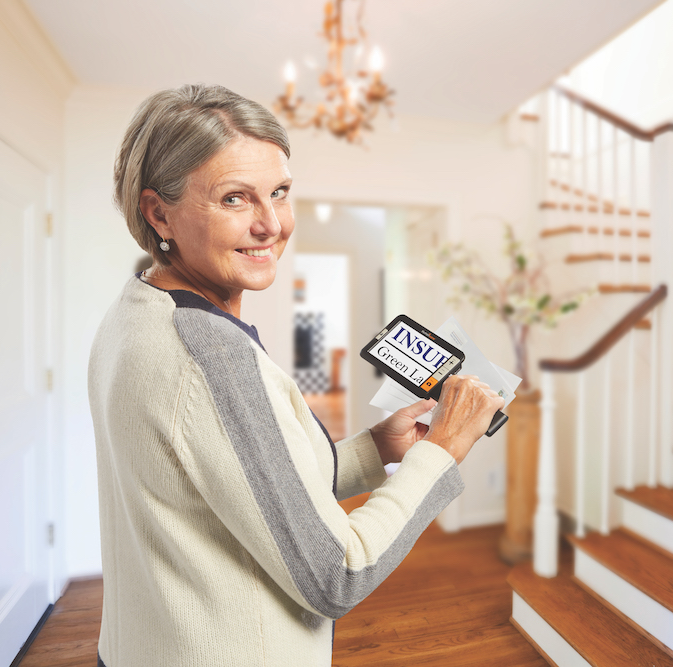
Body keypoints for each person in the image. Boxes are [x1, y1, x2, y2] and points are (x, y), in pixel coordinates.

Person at [88, 83, 504, 667]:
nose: (272, 225)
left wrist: (375, 450)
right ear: (160, 212)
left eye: (279, 193)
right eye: (235, 199)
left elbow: (249, 487)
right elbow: (337, 573)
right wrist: (442, 452)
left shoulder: (135, 310)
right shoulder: (210, 355)